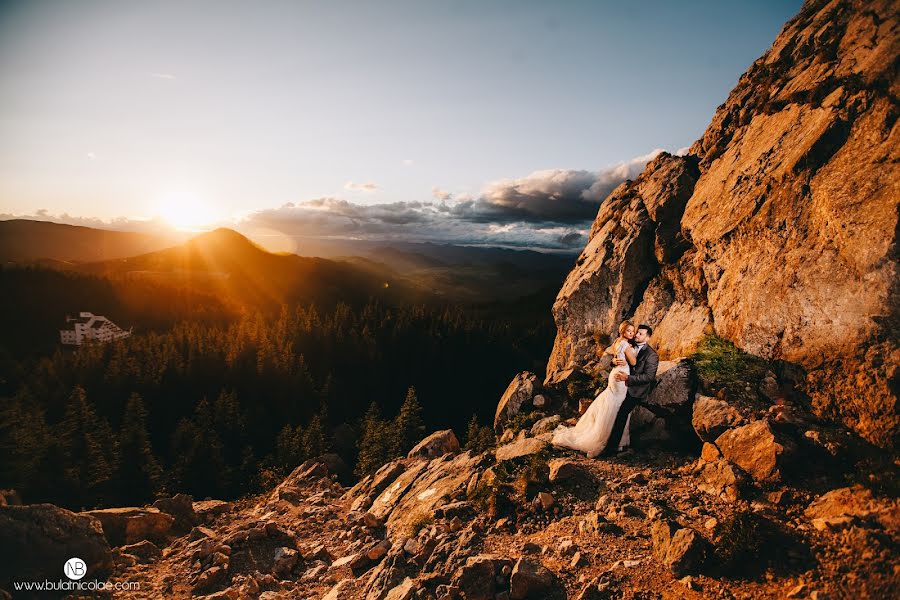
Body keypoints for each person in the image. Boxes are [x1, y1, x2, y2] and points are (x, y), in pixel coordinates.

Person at [551, 321, 637, 458]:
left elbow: (615, 357)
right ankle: (612, 440)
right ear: (623, 332)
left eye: (633, 331)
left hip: (615, 374)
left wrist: (615, 361)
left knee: (612, 403)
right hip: (621, 376)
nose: (632, 334)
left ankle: (614, 439)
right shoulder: (626, 344)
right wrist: (633, 353)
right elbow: (634, 362)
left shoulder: (616, 341)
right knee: (618, 406)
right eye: (629, 331)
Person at [599, 323, 659, 457]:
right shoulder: (628, 342)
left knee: (621, 412)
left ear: (648, 338)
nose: (636, 335)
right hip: (622, 384)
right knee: (614, 408)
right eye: (637, 332)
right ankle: (610, 443)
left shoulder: (651, 355)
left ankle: (612, 447)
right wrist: (613, 362)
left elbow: (649, 377)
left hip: (636, 389)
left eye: (641, 334)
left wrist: (628, 378)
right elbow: (618, 355)